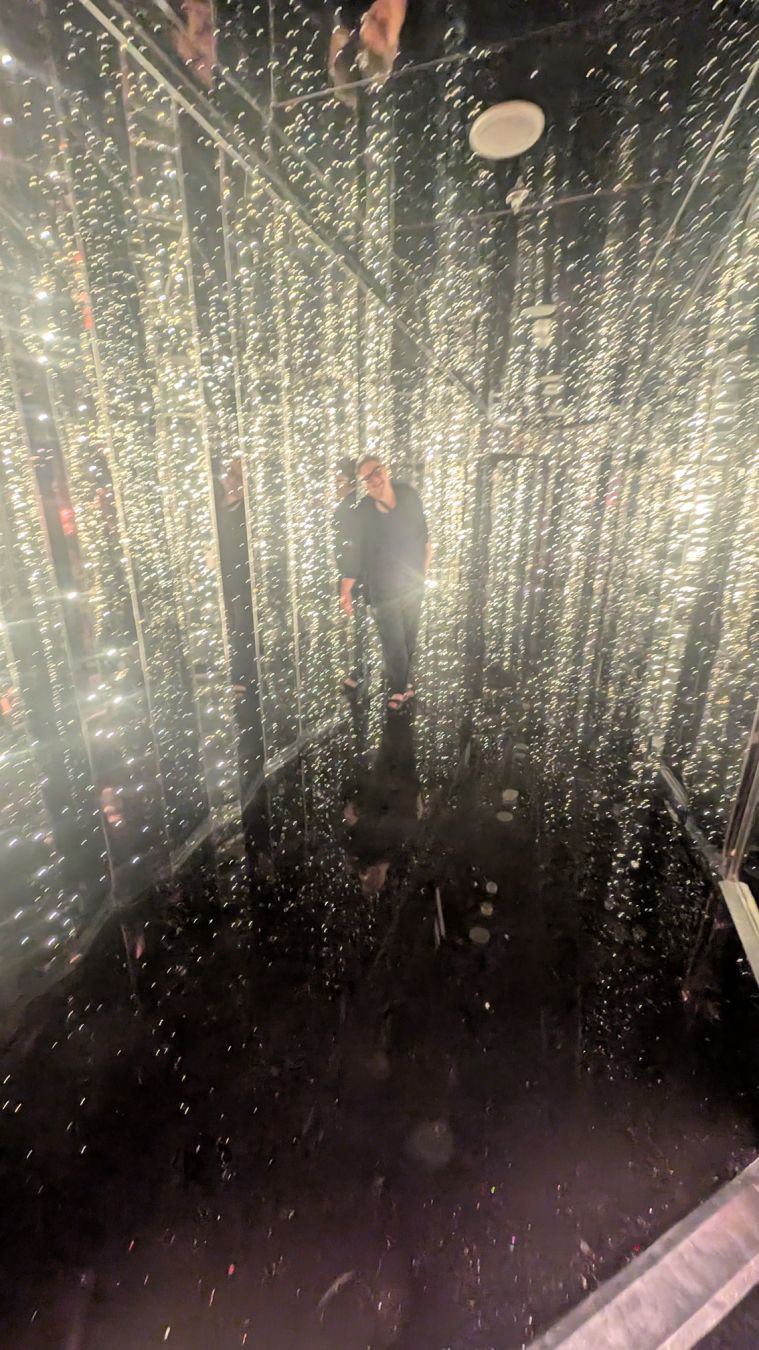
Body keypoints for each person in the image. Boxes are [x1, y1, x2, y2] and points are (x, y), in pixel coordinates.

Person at [339, 455, 430, 713]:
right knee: (393, 641)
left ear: (385, 470)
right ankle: (399, 688)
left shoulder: (408, 496)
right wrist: (346, 586)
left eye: (376, 472)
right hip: (383, 587)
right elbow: (354, 550)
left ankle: (403, 684)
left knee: (408, 638)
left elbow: (424, 536)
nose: (374, 480)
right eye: (367, 478)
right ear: (364, 483)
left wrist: (422, 572)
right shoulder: (364, 511)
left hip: (412, 584)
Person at [328, 0, 408, 104]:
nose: (370, 29)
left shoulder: (347, 10)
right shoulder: (425, 27)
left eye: (372, 16)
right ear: (395, 49)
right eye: (383, 25)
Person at [332, 457, 365, 693]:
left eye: (339, 480)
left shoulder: (346, 508)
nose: (336, 485)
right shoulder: (365, 503)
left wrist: (347, 581)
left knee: (361, 622)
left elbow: (350, 546)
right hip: (370, 572)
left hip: (356, 575)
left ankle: (359, 671)